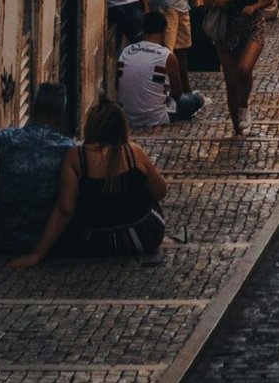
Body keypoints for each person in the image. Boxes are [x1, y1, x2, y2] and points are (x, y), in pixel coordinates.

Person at [11, 98, 169, 266]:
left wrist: (37, 254)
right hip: (142, 236)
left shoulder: (76, 157)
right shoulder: (134, 152)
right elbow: (160, 192)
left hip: (95, 240)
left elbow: (65, 208)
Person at [202, 0, 278, 136]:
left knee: (244, 69)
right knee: (231, 80)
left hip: (252, 25)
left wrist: (254, 7)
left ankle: (244, 107)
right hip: (227, 28)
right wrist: (219, 3)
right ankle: (237, 127)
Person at [0, 84, 75, 254]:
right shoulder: (67, 148)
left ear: (34, 111)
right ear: (61, 116)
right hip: (51, 239)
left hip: (7, 240)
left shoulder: (8, 138)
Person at [116, 10, 185, 131]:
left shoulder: (126, 51)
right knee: (195, 100)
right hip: (158, 117)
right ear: (164, 30)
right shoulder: (167, 56)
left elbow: (118, 84)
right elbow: (178, 92)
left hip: (128, 116)